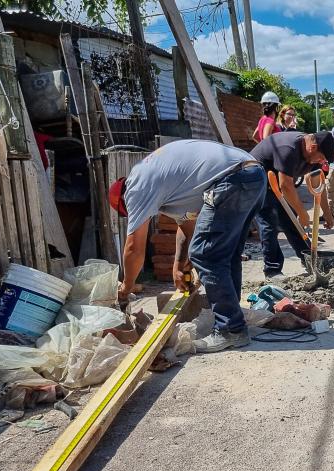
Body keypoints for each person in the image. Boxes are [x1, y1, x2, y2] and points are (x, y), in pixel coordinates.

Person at [109, 140, 267, 353]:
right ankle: (232, 316)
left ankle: (230, 329)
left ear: (124, 202)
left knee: (207, 255)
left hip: (232, 179)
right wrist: (178, 265)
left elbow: (133, 248)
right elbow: (186, 225)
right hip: (253, 174)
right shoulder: (164, 181)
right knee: (225, 253)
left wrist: (126, 287)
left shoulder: (137, 187)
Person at [251, 131, 334, 278]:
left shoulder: (313, 157)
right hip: (255, 179)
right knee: (269, 223)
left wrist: (327, 213)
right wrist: (303, 213)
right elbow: (286, 185)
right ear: (313, 147)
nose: (321, 162)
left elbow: (318, 186)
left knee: (292, 221)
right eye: (321, 158)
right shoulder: (289, 148)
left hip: (276, 183)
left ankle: (309, 261)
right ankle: (272, 270)